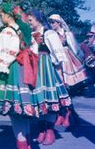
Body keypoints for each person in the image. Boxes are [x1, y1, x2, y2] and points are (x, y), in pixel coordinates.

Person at [0, 4, 37, 149]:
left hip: (11, 71)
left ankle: (22, 146)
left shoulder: (8, 31)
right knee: (23, 112)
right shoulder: (23, 29)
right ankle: (27, 144)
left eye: (1, 15)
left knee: (15, 113)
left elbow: (1, 53)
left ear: (8, 15)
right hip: (23, 69)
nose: (0, 17)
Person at [27, 10, 71, 145]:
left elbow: (58, 55)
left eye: (30, 21)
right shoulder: (29, 35)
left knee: (51, 101)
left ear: (38, 19)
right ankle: (41, 129)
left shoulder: (48, 33)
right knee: (39, 100)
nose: (28, 23)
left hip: (47, 70)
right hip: (34, 70)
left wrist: (60, 76)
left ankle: (50, 131)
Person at [80, 31, 95, 99]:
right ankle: (91, 93)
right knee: (89, 79)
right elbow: (81, 54)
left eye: (91, 36)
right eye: (88, 36)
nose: (89, 37)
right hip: (87, 64)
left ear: (93, 36)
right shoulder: (83, 44)